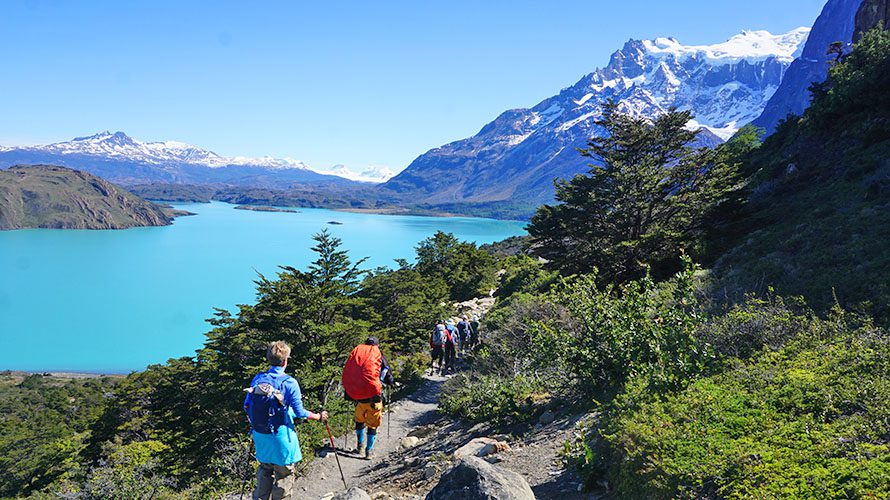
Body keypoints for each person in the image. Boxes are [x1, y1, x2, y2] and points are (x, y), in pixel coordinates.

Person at [244, 341, 328, 500]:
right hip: (281, 438)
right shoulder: (290, 383)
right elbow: (300, 412)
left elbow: (247, 406)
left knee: (265, 470)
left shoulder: (258, 379)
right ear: (285, 361)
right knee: (284, 476)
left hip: (260, 436)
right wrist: (318, 416)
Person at [341, 337, 394, 460]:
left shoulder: (357, 356)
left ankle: (359, 446)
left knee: (359, 421)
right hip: (374, 399)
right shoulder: (379, 357)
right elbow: (389, 378)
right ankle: (368, 451)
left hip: (358, 398)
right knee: (372, 425)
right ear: (377, 345)